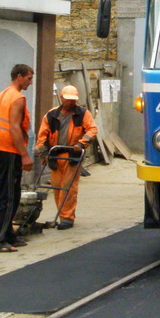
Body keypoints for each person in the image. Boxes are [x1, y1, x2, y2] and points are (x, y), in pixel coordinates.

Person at [35, 84, 98, 228]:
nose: (71, 103)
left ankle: (67, 218)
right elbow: (42, 136)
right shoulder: (51, 115)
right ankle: (61, 213)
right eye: (68, 100)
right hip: (55, 156)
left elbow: (92, 130)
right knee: (57, 187)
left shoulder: (83, 113)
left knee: (69, 187)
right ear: (62, 98)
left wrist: (81, 144)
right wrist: (43, 154)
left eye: (73, 100)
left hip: (72, 155)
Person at [0, 64, 34, 252]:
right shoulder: (17, 98)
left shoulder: (2, 95)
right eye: (29, 78)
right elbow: (14, 127)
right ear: (19, 77)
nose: (31, 82)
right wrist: (25, 155)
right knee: (7, 197)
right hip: (9, 151)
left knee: (11, 195)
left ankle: (8, 234)